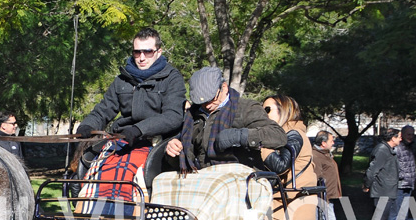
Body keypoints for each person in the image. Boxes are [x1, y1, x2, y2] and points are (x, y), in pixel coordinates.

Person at [74, 28, 186, 207]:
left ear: (158, 52)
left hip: (154, 142)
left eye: (147, 52)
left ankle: (126, 219)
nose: (141, 57)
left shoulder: (172, 78)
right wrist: (87, 126)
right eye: (137, 52)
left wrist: (139, 129)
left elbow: (173, 116)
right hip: (121, 140)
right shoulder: (122, 79)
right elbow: (103, 110)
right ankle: (89, 215)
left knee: (125, 172)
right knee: (98, 169)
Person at [165, 67, 289, 171]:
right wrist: (174, 152)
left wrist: (240, 136)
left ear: (224, 87)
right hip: (204, 178)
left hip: (242, 179)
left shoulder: (247, 108)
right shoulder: (192, 115)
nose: (207, 105)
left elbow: (278, 136)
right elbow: (185, 162)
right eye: (201, 102)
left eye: (212, 98)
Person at [261, 95, 319, 220]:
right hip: (280, 207)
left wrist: (261, 144)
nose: (263, 114)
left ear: (285, 110)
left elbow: (280, 165)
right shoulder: (282, 136)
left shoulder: (294, 134)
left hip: (291, 211)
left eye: (267, 110)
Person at [362, 128, 401, 220]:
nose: (401, 138)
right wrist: (367, 184)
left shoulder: (387, 150)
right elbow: (373, 170)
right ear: (392, 138)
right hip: (382, 189)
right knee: (380, 217)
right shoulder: (382, 150)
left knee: (383, 217)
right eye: (399, 136)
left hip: (387, 188)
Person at [311, 131, 346, 220]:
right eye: (331, 140)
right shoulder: (316, 155)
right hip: (322, 196)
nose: (333, 142)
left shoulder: (326, 154)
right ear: (323, 143)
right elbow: (317, 177)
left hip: (329, 195)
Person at [390, 125, 416, 220]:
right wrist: (401, 176)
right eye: (408, 134)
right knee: (395, 214)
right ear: (402, 135)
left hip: (408, 185)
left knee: (404, 215)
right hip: (399, 185)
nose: (411, 137)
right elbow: (393, 166)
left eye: (412, 134)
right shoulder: (397, 148)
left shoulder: (410, 147)